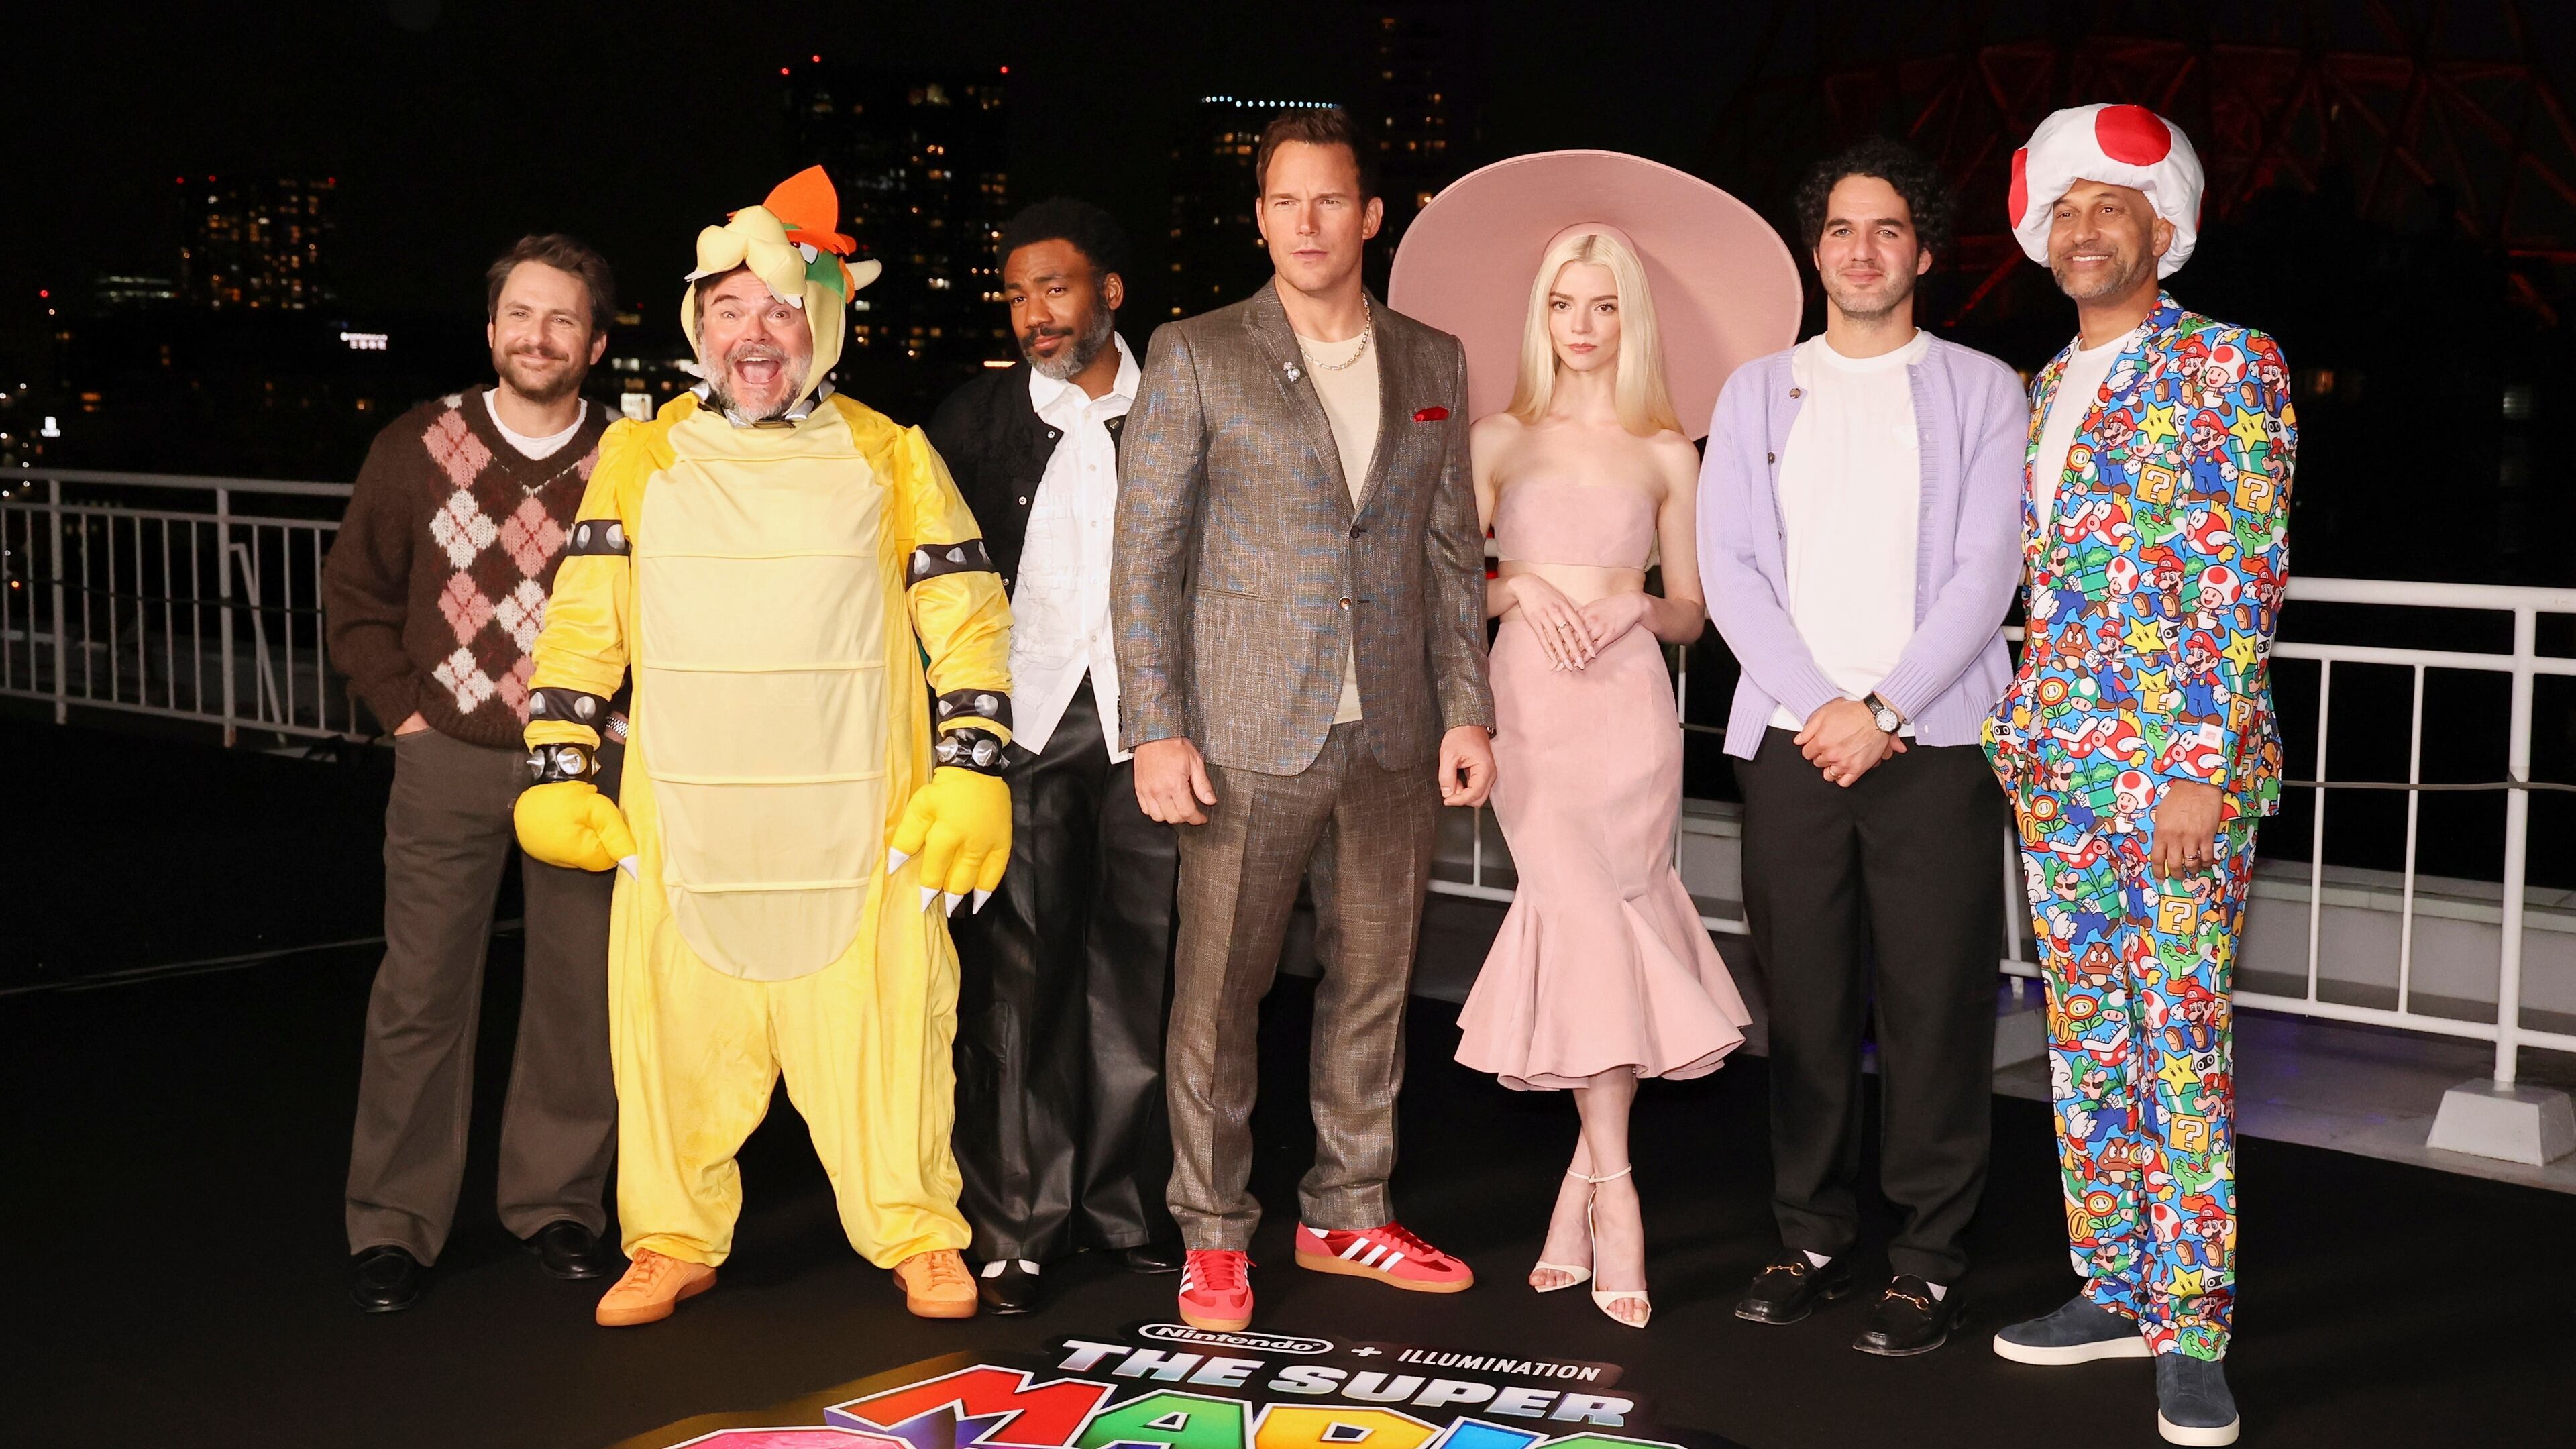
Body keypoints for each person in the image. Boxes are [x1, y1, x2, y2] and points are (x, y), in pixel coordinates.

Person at [512, 167, 1014, 1326]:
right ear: (700, 327)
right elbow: (584, 629)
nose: (756, 332)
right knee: (673, 1045)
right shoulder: (642, 457)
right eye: (731, 308)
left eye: (782, 309)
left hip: (861, 831)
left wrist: (970, 774)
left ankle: (920, 1235)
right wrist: (560, 772)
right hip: (693, 829)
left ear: (824, 325)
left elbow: (969, 623)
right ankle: (672, 1238)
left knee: (893, 1041)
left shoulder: (892, 454)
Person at [1111, 106, 1497, 1334]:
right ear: (1261, 216)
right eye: (1286, 202)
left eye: (1332, 200)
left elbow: (1448, 559)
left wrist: (1468, 711)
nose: (1309, 224)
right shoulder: (1199, 349)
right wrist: (1157, 727)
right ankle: (1215, 1235)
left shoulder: (1432, 359)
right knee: (1218, 995)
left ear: (1371, 215)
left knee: (1376, 983)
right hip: (1240, 734)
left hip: (1391, 732)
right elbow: (1147, 558)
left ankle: (1346, 1211)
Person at [1983, 105, 2294, 1448]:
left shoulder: (2233, 363)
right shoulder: (2044, 387)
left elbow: (2244, 573)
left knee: (2183, 1049)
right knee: (2090, 1040)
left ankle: (2192, 1329)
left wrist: (2201, 770)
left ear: (2163, 227)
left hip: (2176, 784)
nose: (2087, 227)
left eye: (2114, 205)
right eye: (2067, 207)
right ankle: (2111, 1287)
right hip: (2057, 776)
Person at [1699, 138, 2027, 1356]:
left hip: (1932, 742)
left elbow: (1988, 570)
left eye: (1887, 230)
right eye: (1841, 229)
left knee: (1938, 1000)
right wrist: (1822, 708)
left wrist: (1883, 709)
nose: (1862, 250)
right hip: (1790, 742)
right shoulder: (1755, 391)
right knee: (1807, 1002)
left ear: (1924, 252)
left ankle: (1930, 1254)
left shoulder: (1986, 388)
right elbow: (1728, 568)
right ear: (1815, 247)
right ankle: (1811, 1233)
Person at [323, 234, 622, 1313]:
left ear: (594, 340)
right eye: (520, 315)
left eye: (562, 320)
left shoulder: (635, 458)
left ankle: (559, 1207)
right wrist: (406, 717)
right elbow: (355, 595)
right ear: (492, 328)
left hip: (583, 765)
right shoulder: (418, 444)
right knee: (420, 991)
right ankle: (392, 1224)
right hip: (446, 754)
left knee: (579, 995)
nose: (538, 336)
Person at [928, 198, 1184, 1315]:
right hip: (1024, 728)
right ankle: (1019, 1224)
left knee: (1138, 969)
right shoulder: (972, 420)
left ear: (1110, 293)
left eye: (1058, 288)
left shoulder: (1179, 406)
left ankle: (1123, 1206)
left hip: (1149, 729)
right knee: (1020, 983)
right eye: (1020, 293)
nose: (1036, 313)